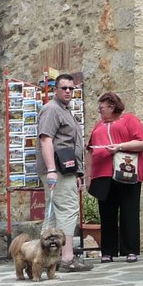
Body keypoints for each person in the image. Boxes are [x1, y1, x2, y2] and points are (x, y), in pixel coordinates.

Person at [37, 73, 92, 272]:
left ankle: (43, 259)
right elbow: (46, 139)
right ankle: (67, 258)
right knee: (68, 211)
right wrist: (51, 169)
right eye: (64, 88)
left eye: (71, 88)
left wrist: (77, 173)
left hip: (66, 170)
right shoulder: (52, 110)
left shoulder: (65, 110)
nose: (68, 91)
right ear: (55, 89)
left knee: (53, 215)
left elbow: (71, 144)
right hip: (58, 171)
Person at [86, 92, 143, 262]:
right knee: (106, 213)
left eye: (102, 108)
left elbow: (141, 142)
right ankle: (108, 251)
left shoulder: (130, 120)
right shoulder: (98, 125)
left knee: (129, 211)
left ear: (112, 106)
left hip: (127, 172)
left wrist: (119, 147)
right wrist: (88, 176)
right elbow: (90, 151)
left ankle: (130, 250)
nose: (99, 111)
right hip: (102, 174)